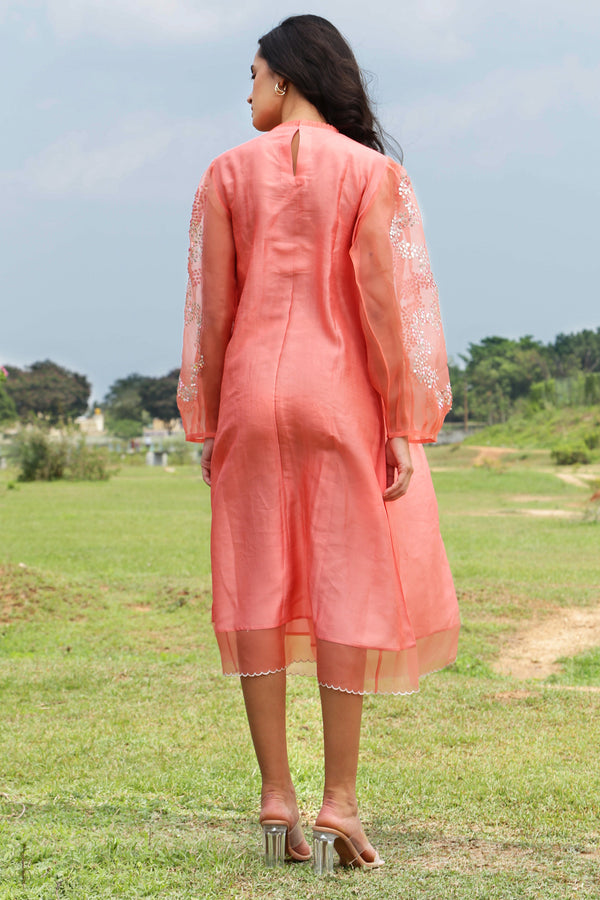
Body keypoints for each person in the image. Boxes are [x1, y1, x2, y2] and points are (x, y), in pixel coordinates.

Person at [177, 14, 460, 873]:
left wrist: (209, 419)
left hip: (253, 399)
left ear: (289, 77)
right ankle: (338, 800)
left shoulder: (225, 173)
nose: (249, 88)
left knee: (256, 584)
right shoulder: (374, 174)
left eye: (255, 72)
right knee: (346, 589)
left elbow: (212, 313)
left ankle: (276, 794)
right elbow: (391, 308)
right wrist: (405, 422)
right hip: (340, 402)